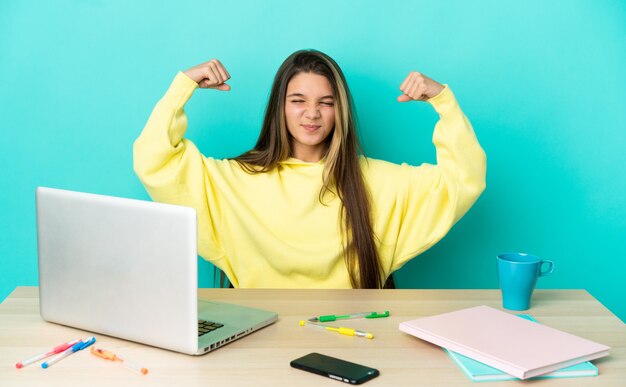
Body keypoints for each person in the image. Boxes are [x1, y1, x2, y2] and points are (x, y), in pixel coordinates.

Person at [133, 49, 486, 289]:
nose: (312, 114)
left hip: (355, 341)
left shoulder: (379, 183)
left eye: (325, 103)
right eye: (298, 101)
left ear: (340, 111)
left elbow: (463, 179)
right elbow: (154, 160)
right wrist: (184, 85)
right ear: (280, 108)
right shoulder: (235, 181)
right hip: (260, 345)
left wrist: (444, 101)